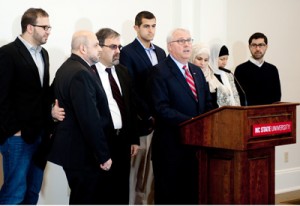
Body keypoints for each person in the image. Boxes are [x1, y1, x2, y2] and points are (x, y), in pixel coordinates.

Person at [147, 28, 213, 204]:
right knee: (170, 196)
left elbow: (207, 104)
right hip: (170, 147)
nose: (187, 44)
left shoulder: (197, 71)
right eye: (181, 41)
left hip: (196, 147)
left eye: (189, 40)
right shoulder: (159, 72)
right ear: (170, 46)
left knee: (192, 195)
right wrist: (192, 122)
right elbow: (161, 108)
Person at [48, 30, 113, 204]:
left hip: (75, 151)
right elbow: (89, 119)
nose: (100, 49)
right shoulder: (80, 73)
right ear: (83, 48)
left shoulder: (67, 67)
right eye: (96, 45)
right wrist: (103, 155)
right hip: (82, 152)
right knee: (86, 199)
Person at [0, 8, 53, 204]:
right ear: (30, 27)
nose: (48, 31)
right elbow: (1, 97)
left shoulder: (44, 54)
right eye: (45, 27)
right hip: (18, 139)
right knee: (14, 193)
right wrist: (13, 130)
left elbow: (42, 94)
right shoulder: (7, 53)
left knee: (32, 192)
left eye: (49, 27)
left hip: (41, 136)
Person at [119, 11, 166, 204]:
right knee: (138, 176)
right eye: (146, 26)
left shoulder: (161, 52)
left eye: (154, 26)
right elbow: (130, 89)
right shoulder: (127, 52)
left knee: (154, 175)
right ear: (136, 28)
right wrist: (148, 115)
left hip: (162, 121)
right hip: (142, 122)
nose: (151, 30)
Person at [93, 28, 139, 204]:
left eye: (119, 46)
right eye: (113, 46)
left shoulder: (123, 71)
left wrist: (134, 138)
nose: (118, 51)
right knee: (102, 191)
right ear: (99, 47)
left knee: (121, 190)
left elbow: (130, 107)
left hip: (123, 141)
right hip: (102, 140)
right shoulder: (89, 72)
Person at [234, 32, 281, 106]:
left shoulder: (272, 70)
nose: (257, 48)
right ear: (249, 47)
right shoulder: (240, 70)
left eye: (261, 45)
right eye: (254, 45)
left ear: (266, 46)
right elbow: (238, 98)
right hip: (247, 114)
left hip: (269, 115)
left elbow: (277, 97)